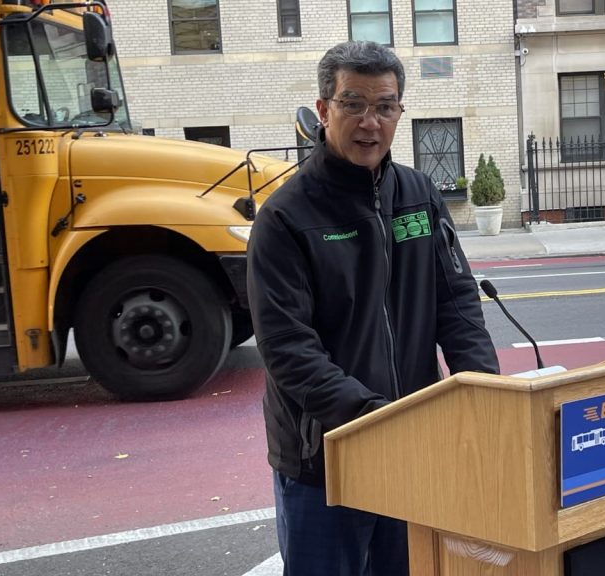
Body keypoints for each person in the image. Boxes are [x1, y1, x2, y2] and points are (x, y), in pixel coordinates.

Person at [247, 40, 499, 575]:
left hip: (413, 448)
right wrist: (372, 418)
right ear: (323, 110)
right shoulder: (286, 217)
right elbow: (286, 346)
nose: (370, 122)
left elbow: (456, 304)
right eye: (352, 103)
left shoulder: (418, 193)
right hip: (325, 457)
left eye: (385, 106)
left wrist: (488, 396)